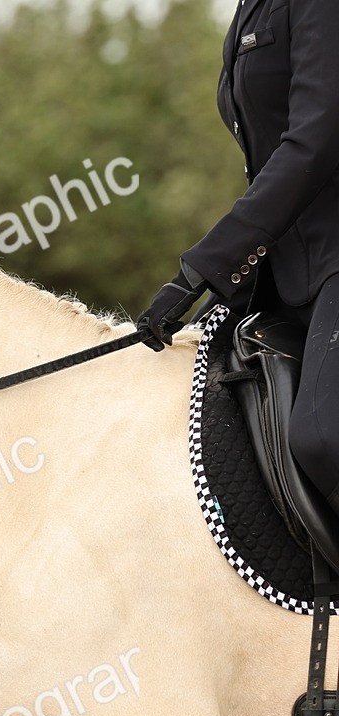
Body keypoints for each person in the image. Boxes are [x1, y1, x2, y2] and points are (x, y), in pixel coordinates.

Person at [139, 0, 339, 518]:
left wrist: (204, 267)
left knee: (324, 437)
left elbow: (313, 143)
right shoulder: (252, 9)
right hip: (292, 270)